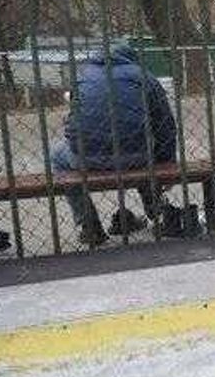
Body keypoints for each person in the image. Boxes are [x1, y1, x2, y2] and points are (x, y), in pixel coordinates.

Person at [52, 44, 177, 247]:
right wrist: (167, 163)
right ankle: (158, 212)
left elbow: (73, 120)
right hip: (136, 157)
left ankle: (89, 225)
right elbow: (165, 125)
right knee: (146, 149)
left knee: (56, 156)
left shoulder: (84, 75)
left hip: (86, 158)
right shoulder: (142, 75)